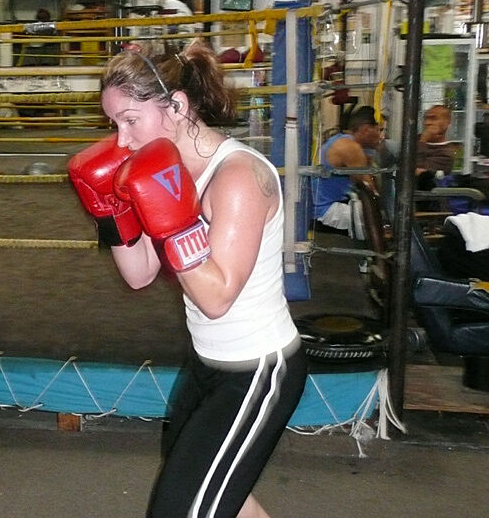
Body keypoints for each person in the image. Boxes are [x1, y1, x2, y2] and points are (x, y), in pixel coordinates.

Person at [68, 41, 307, 518]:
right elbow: (140, 274)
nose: (120, 141)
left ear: (176, 105)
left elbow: (217, 297)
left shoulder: (236, 176)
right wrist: (113, 213)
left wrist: (175, 224)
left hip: (258, 371)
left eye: (130, 120)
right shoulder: (161, 173)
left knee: (180, 510)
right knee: (224, 502)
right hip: (208, 366)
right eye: (114, 124)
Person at [311, 106, 383, 233]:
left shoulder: (341, 140)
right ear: (366, 129)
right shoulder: (350, 147)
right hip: (326, 211)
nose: (380, 136)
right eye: (378, 130)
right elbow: (370, 189)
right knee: (372, 214)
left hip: (325, 207)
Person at [416, 104, 458, 190]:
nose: (427, 123)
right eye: (426, 118)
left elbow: (417, 172)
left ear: (446, 122)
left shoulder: (446, 153)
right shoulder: (414, 140)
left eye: (433, 118)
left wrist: (423, 141)